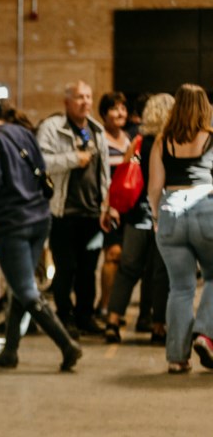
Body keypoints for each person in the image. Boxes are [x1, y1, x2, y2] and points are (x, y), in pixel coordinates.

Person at [0, 95, 82, 371]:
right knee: (21, 283)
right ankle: (10, 350)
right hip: (39, 216)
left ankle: (66, 345)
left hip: (11, 222)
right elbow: (41, 168)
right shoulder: (23, 132)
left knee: (25, 288)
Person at [36, 80, 112, 337]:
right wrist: (72, 159)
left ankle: (85, 317)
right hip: (63, 212)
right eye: (80, 97)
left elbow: (104, 173)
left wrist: (108, 204)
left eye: (89, 97)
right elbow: (40, 162)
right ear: (67, 101)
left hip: (92, 213)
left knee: (88, 270)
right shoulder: (52, 127)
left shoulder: (97, 131)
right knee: (65, 269)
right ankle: (64, 318)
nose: (86, 102)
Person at [147, 83, 213, 374]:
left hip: (171, 210)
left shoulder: (163, 140)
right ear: (205, 108)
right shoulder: (211, 138)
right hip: (206, 207)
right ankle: (204, 334)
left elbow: (154, 187)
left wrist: (156, 218)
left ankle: (177, 357)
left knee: (181, 288)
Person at [104, 93, 173, 345]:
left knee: (127, 270)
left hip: (135, 215)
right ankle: (158, 326)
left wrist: (112, 207)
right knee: (159, 274)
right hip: (163, 215)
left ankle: (112, 322)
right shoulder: (172, 143)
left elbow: (124, 174)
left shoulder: (138, 142)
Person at [96, 91, 131, 319]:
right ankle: (105, 305)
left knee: (122, 259)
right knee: (112, 255)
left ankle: (109, 304)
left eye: (123, 109)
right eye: (115, 108)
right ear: (104, 113)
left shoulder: (127, 138)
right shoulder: (100, 138)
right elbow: (101, 176)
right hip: (108, 206)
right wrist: (107, 206)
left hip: (126, 205)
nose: (120, 113)